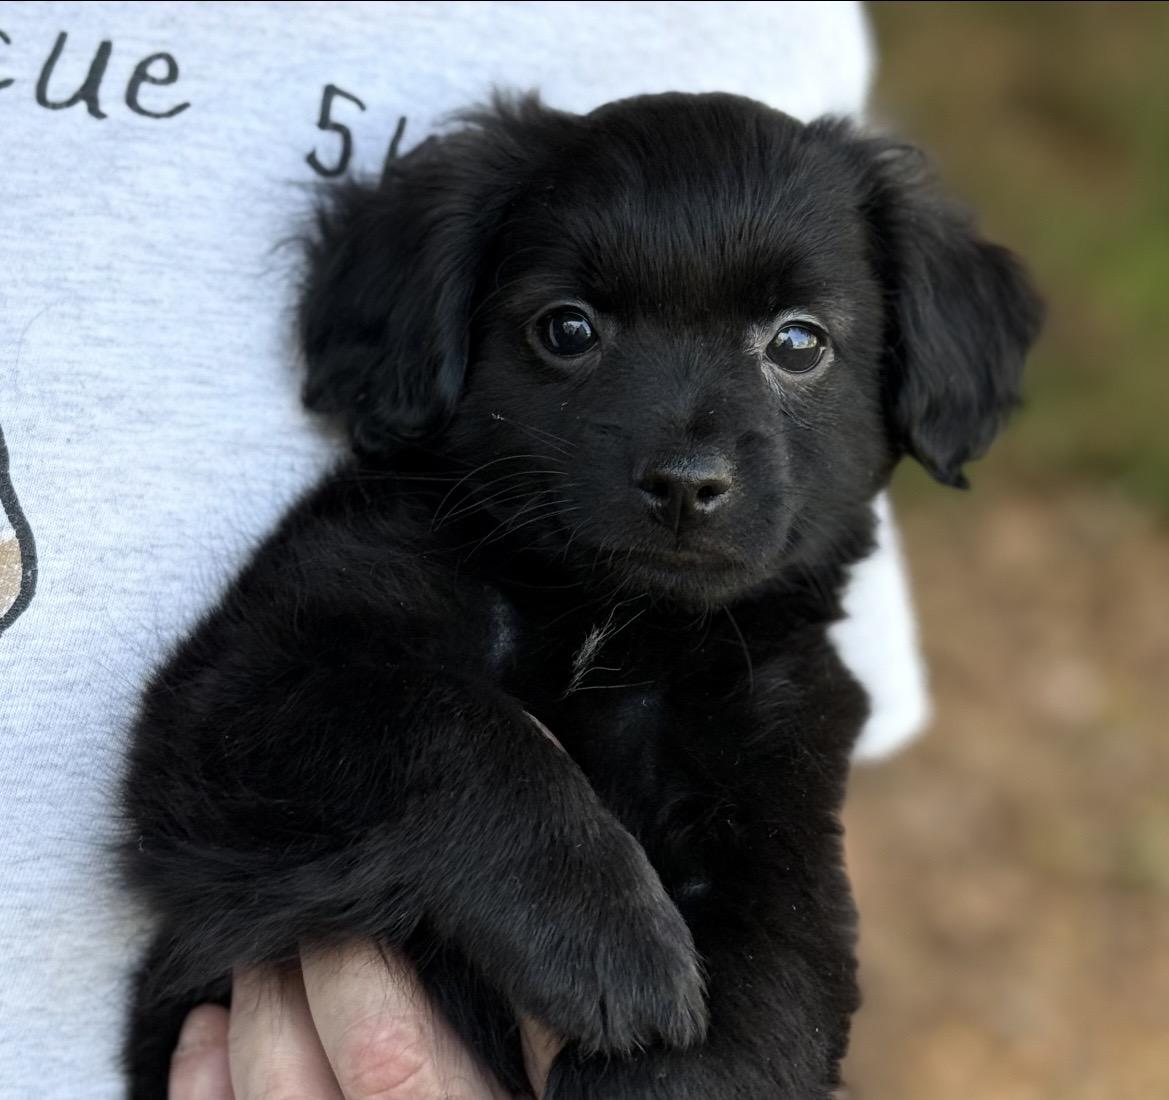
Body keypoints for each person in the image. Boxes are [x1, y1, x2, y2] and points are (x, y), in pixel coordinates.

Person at [0, 3, 928, 1096]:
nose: (689, 460)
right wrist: (482, 800)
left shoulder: (752, 27)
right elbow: (212, 755)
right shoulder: (406, 549)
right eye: (569, 330)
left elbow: (781, 953)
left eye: (793, 343)